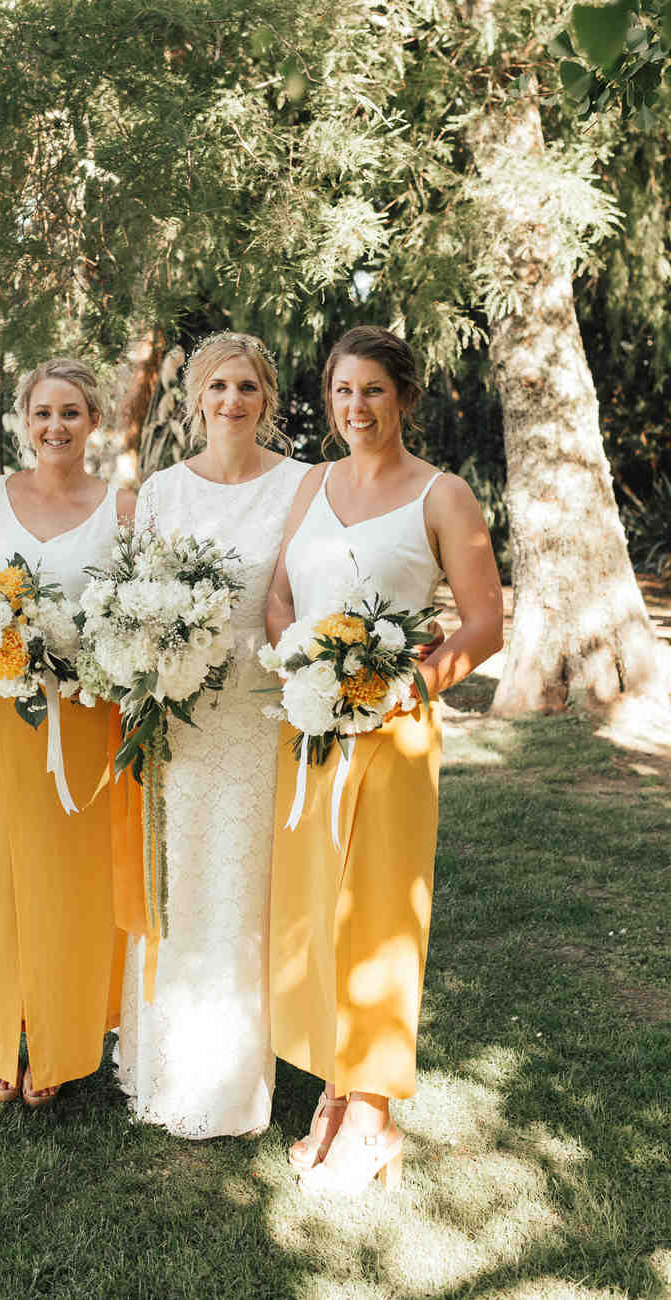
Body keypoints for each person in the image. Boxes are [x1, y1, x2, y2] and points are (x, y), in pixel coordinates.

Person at [265, 325, 504, 1194]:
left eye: (372, 390)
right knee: (316, 905)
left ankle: (372, 1111)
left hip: (393, 732)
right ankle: (333, 1086)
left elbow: (484, 624)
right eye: (341, 391)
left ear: (403, 396)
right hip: (309, 729)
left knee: (378, 916)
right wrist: (300, 664)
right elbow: (284, 594)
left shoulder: (442, 497)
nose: (355, 407)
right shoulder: (312, 486)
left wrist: (411, 685)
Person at [115, 332, 313, 1138]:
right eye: (218, 388)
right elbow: (132, 599)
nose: (232, 402)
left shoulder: (303, 486)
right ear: (194, 399)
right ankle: (164, 1057)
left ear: (267, 399)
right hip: (181, 715)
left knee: (247, 883)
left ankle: (236, 1076)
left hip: (260, 714)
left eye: (248, 388)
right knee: (181, 877)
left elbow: (303, 592)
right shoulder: (162, 491)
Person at [0, 357, 134, 1106]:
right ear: (23, 421)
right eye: (41, 412)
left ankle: (66, 1043)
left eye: (70, 413)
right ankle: (5, 1034)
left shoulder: (122, 508)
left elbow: (137, 616)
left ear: (93, 421)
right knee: (2, 879)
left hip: (85, 714)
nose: (54, 426)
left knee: (74, 882)